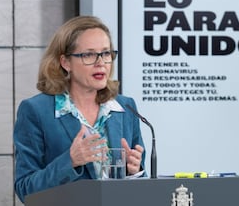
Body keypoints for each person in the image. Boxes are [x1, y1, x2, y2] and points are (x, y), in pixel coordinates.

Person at [14, 15, 146, 202]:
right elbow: (25, 189)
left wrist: (135, 171)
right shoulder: (36, 111)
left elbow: (140, 188)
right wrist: (70, 161)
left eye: (106, 53)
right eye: (89, 55)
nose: (101, 62)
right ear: (65, 62)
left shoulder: (125, 108)